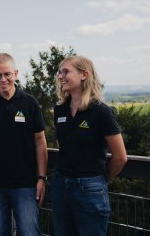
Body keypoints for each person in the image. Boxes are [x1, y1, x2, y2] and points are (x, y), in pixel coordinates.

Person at [0, 53, 48, 236]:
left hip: (26, 184)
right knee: (0, 232)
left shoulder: (29, 103)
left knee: (30, 232)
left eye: (7, 74)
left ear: (15, 73)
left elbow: (40, 141)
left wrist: (41, 178)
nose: (3, 79)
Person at [51, 55, 127, 236]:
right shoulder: (60, 109)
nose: (60, 76)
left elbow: (120, 157)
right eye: (59, 72)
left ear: (84, 75)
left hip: (90, 188)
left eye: (65, 71)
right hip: (60, 184)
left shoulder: (101, 111)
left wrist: (99, 180)